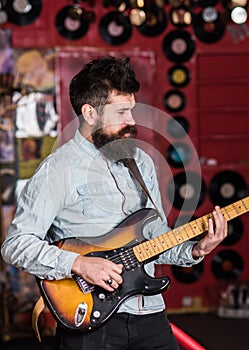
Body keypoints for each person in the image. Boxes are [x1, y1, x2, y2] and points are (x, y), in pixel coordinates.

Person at [1, 56, 227, 350]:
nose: (132, 121)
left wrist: (195, 249)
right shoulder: (57, 170)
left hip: (150, 313)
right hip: (92, 320)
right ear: (90, 113)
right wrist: (79, 264)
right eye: (122, 112)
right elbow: (16, 245)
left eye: (131, 110)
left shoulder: (141, 162)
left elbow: (154, 235)